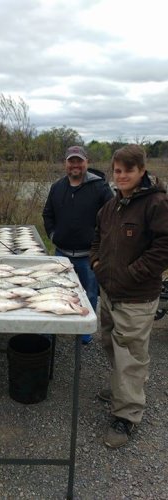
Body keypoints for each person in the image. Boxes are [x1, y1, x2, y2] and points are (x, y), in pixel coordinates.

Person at [90, 144, 168, 448]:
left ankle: (126, 416)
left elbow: (163, 248)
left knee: (131, 357)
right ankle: (122, 388)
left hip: (136, 298)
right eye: (118, 170)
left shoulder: (156, 204)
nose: (121, 176)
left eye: (128, 170)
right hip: (109, 294)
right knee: (108, 342)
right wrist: (95, 263)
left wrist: (131, 274)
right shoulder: (111, 206)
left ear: (141, 171)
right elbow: (96, 238)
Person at [42, 145, 113, 344]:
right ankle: (52, 328)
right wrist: (53, 235)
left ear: (86, 162)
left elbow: (112, 218)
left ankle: (84, 331)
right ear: (65, 163)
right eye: (71, 161)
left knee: (89, 293)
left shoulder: (100, 187)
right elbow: (47, 214)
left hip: (88, 256)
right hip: (61, 254)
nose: (75, 165)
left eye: (79, 161)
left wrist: (101, 245)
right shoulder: (57, 187)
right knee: (56, 292)